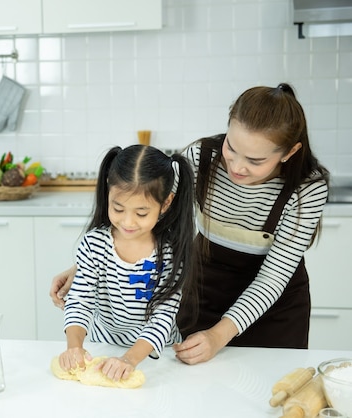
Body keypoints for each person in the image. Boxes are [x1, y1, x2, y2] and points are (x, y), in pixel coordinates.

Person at [51, 83, 330, 365]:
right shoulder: (202, 157)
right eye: (231, 148)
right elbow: (149, 210)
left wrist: (218, 336)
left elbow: (273, 277)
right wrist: (88, 265)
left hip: (273, 310)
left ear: (289, 152)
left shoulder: (307, 188)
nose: (236, 167)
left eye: (255, 160)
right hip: (203, 290)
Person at [58, 144, 197, 381]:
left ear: (165, 203)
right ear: (108, 194)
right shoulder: (94, 245)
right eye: (118, 208)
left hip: (157, 355)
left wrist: (129, 359)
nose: (128, 222)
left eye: (141, 213)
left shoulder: (171, 253)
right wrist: (74, 346)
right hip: (104, 347)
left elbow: (163, 317)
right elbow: (80, 301)